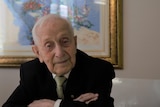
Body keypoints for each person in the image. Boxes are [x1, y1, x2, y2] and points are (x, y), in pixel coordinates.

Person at [2, 14, 115, 107]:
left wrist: (55, 105)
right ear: (37, 52)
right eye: (48, 45)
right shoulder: (31, 72)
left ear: (75, 43)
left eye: (65, 41)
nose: (59, 53)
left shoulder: (99, 70)